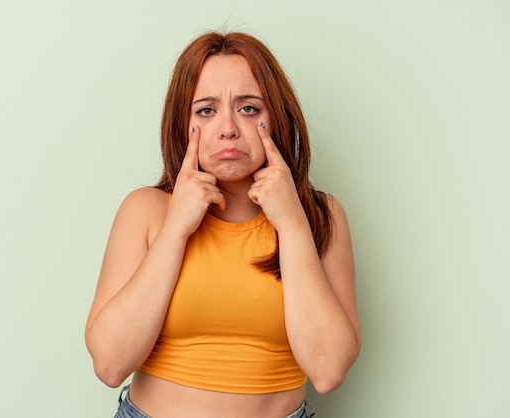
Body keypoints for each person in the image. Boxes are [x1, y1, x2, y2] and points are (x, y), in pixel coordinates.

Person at [85, 31, 361, 418]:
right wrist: (177, 226)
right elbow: (110, 365)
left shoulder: (320, 216)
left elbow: (328, 371)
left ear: (276, 117)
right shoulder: (145, 210)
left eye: (249, 108)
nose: (228, 128)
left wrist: (293, 225)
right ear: (183, 123)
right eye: (206, 110)